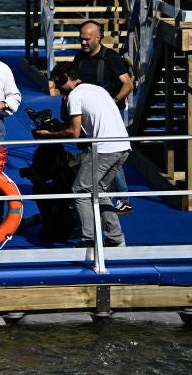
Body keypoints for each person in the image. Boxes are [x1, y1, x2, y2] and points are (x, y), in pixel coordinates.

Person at [33, 61, 129, 247]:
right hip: (123, 146)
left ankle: (89, 240)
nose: (57, 88)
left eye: (57, 82)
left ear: (64, 78)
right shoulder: (97, 89)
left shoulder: (74, 96)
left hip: (104, 149)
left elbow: (74, 132)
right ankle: (116, 238)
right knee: (99, 190)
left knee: (80, 191)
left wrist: (50, 134)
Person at [73, 20, 133, 214]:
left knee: (110, 150)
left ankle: (123, 199)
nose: (83, 43)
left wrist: (113, 101)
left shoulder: (111, 58)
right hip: (88, 114)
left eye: (87, 39)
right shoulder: (79, 58)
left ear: (98, 38)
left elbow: (128, 84)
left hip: (109, 114)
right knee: (92, 152)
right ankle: (98, 191)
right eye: (81, 39)